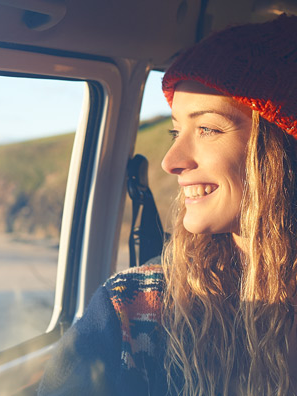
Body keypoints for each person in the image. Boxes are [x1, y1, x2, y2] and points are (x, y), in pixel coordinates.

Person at [38, 13, 297, 396]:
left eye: (207, 129)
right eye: (177, 130)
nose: (170, 160)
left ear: (283, 148)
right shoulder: (132, 312)